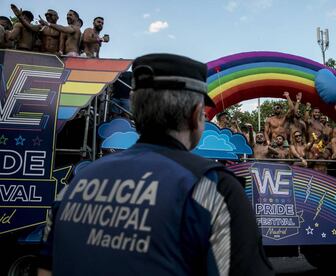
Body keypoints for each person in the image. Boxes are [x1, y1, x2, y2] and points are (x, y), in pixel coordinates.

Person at [38, 53, 274, 276]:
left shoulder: (74, 185)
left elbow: (46, 270)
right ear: (195, 115)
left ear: (136, 111)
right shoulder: (213, 188)